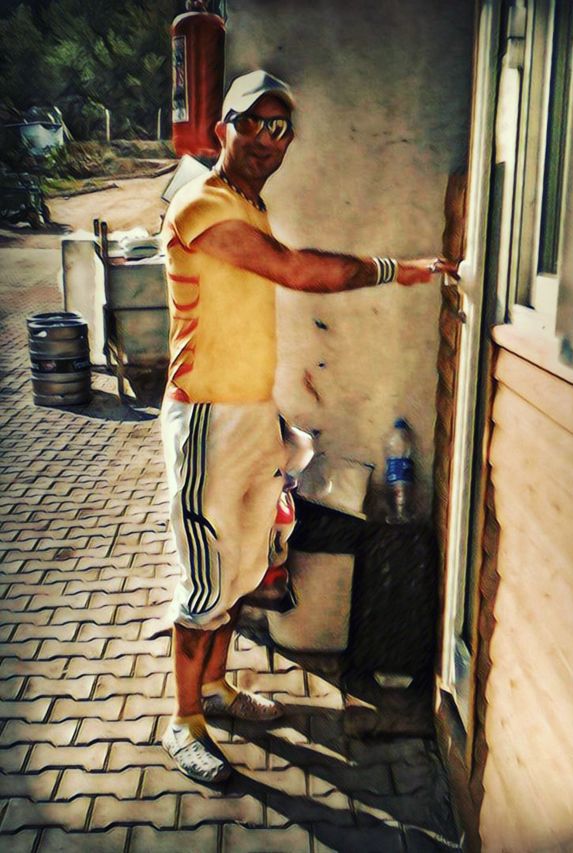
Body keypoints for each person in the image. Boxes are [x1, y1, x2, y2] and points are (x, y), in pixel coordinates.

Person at [160, 69, 458, 784]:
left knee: (242, 564)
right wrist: (397, 270)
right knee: (204, 577)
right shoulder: (202, 203)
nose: (267, 139)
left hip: (249, 413)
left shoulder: (249, 204)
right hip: (204, 417)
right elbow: (295, 271)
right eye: (252, 123)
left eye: (280, 127)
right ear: (221, 129)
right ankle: (185, 721)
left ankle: (218, 688)